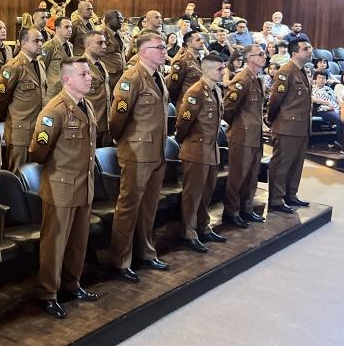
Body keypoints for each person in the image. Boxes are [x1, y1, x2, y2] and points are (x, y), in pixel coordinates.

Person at [29, 57, 100, 319]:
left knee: (78, 242)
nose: (90, 77)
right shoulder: (55, 110)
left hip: (83, 185)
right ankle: (48, 292)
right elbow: (38, 152)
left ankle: (72, 284)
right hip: (60, 187)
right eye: (84, 74)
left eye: (89, 73)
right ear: (68, 79)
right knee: (55, 244)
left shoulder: (87, 105)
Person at [108, 32, 170, 283]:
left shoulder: (158, 77)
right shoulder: (131, 78)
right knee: (128, 207)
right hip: (136, 152)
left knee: (148, 207)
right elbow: (117, 118)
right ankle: (120, 260)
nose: (165, 51)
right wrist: (122, 140)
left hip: (156, 152)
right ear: (145, 52)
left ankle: (145, 252)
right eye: (160, 47)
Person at [175, 53, 228, 253]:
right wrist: (185, 142)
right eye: (219, 68)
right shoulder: (195, 91)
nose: (223, 71)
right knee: (193, 194)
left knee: (207, 192)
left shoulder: (216, 90)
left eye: (223, 68)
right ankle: (188, 232)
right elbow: (183, 122)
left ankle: (203, 226)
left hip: (211, 149)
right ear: (206, 70)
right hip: (196, 150)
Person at [222, 44, 268, 228]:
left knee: (251, 175)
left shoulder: (256, 78)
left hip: (255, 135)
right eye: (260, 54)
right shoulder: (242, 78)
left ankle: (246, 209)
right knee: (238, 176)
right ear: (249, 58)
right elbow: (228, 107)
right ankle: (232, 212)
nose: (264, 57)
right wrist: (238, 127)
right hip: (242, 135)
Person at [266, 39, 314, 213]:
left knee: (296, 164)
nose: (310, 51)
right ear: (294, 53)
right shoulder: (285, 71)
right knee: (282, 164)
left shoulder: (302, 71)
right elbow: (275, 100)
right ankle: (276, 199)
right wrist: (272, 120)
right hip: (286, 126)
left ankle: (290, 195)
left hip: (301, 127)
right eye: (306, 49)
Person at [0, 27, 47, 173]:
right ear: (23, 43)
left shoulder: (40, 64)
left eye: (42, 40)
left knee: (34, 172)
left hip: (37, 129)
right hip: (20, 130)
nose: (41, 43)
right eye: (36, 40)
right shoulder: (13, 67)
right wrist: (12, 116)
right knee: (18, 172)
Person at [83, 30, 111, 147]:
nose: (104, 46)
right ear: (88, 45)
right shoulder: (79, 65)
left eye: (104, 43)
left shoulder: (102, 65)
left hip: (105, 122)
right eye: (100, 43)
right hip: (89, 124)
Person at [167, 31, 205, 105]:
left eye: (201, 39)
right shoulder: (182, 61)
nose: (202, 41)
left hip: (199, 102)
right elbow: (172, 87)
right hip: (187, 103)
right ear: (189, 44)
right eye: (198, 40)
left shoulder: (200, 60)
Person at [42, 16, 74, 96]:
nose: (70, 29)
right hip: (53, 93)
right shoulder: (49, 46)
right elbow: (40, 68)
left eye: (71, 27)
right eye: (66, 27)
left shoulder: (70, 46)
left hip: (67, 91)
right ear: (57, 28)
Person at [100, 10, 129, 93]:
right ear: (108, 21)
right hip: (111, 76)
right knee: (111, 99)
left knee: (123, 97)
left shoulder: (119, 34)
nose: (121, 21)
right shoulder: (102, 35)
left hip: (122, 74)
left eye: (121, 18)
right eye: (118, 19)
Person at [311, 71, 344, 143]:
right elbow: (312, 99)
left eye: (323, 78)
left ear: (326, 80)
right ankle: (341, 142)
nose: (321, 80)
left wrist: (341, 104)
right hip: (322, 109)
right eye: (319, 78)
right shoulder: (312, 88)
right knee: (340, 120)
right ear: (315, 79)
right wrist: (326, 103)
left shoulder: (328, 88)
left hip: (335, 108)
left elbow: (336, 97)